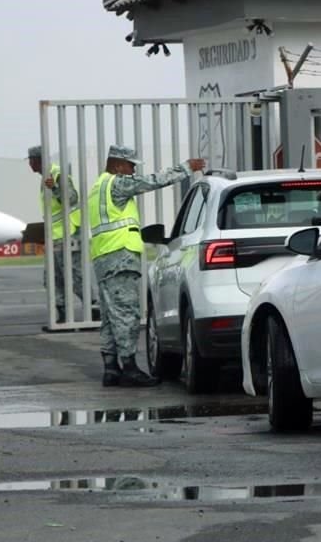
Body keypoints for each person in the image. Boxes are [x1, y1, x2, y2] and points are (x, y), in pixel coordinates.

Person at [88, 145, 205, 387]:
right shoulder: (117, 184)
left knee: (111, 317)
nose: (132, 171)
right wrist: (185, 168)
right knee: (127, 314)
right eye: (130, 165)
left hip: (103, 258)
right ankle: (129, 368)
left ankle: (111, 368)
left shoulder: (97, 187)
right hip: (120, 257)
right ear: (119, 164)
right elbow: (152, 181)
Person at [27, 145, 88, 325]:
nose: (30, 164)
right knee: (53, 279)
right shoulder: (45, 177)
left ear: (38, 160)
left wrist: (54, 188)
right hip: (55, 236)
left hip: (67, 235)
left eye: (31, 160)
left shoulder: (57, 175)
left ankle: (94, 306)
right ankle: (61, 312)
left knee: (75, 276)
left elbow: (71, 198)